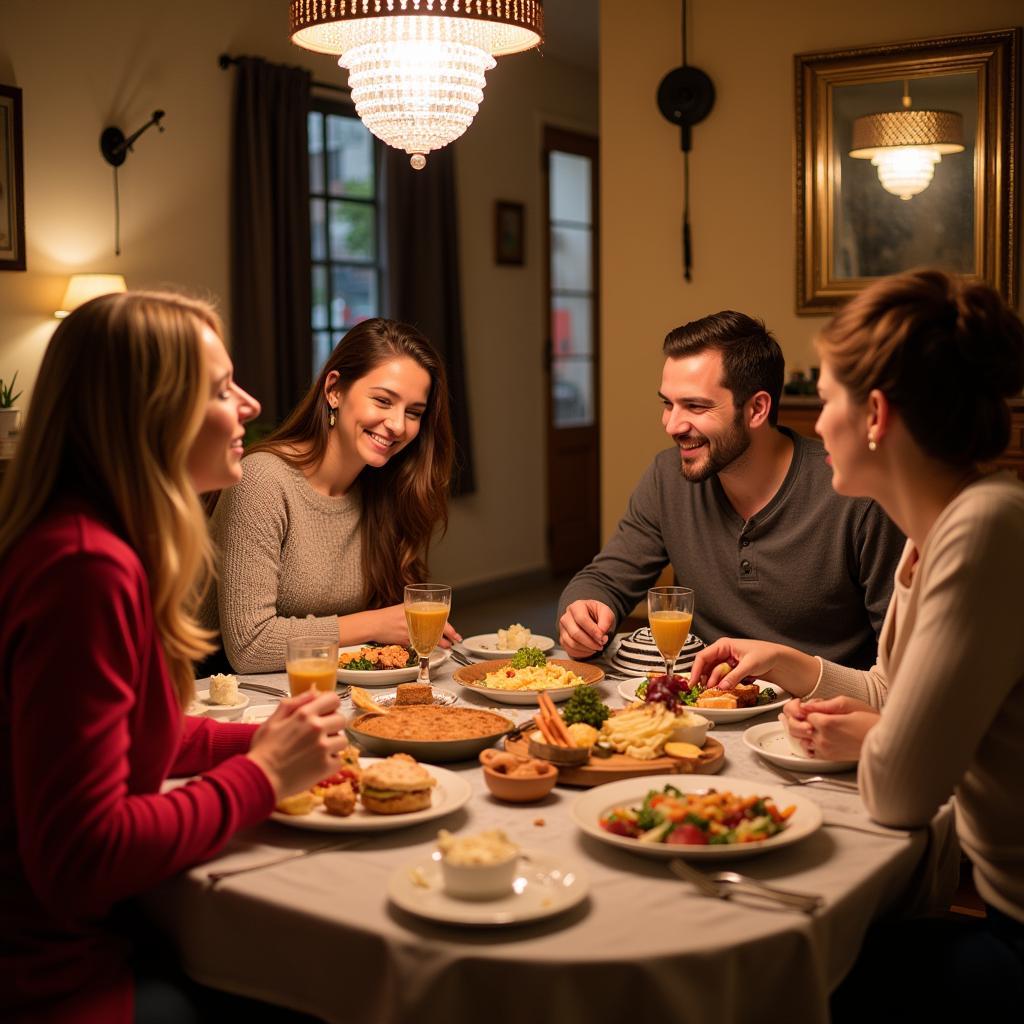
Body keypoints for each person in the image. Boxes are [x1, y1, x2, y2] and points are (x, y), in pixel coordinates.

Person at [0, 292, 348, 1023]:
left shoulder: (98, 543)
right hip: (57, 976)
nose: (250, 404)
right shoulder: (84, 569)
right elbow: (80, 859)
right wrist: (261, 777)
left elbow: (133, 736)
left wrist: (259, 739)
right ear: (149, 414)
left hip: (105, 935)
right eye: (222, 389)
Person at [689, 270, 1024, 1014]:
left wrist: (876, 736)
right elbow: (891, 693)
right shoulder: (932, 529)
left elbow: (902, 792)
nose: (815, 423)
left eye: (829, 399)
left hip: (1016, 935)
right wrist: (790, 665)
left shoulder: (984, 528)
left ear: (874, 414)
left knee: (766, 982)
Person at [558, 311, 903, 668]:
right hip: (707, 707)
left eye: (695, 406)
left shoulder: (855, 493)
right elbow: (604, 579)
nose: (672, 425)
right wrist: (584, 610)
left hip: (819, 714)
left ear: (757, 408)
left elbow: (903, 661)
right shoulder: (668, 476)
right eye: (667, 403)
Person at [201, 317, 460, 673]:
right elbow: (249, 647)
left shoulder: (383, 487)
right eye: (383, 401)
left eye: (413, 412)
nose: (398, 425)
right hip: (220, 696)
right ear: (334, 390)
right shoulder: (262, 480)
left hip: (317, 687)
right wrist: (375, 624)